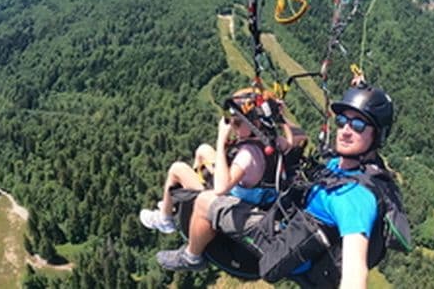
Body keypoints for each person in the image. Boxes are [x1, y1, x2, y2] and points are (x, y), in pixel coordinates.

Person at [257, 82, 398, 288]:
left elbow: (355, 272)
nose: (345, 131)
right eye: (342, 121)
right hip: (294, 223)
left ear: (376, 135)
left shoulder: (354, 198)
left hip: (288, 251)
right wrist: (280, 120)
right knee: (297, 142)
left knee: (214, 206)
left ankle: (194, 255)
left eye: (358, 125)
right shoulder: (343, 164)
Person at [147, 86, 300, 271]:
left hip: (232, 200)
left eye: (236, 123)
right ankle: (183, 205)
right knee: (203, 150)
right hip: (257, 195)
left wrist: (221, 139)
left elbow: (221, 189)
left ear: (254, 123)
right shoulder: (273, 140)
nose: (232, 127)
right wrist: (281, 118)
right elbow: (295, 140)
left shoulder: (248, 155)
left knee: (176, 169)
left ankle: (166, 220)